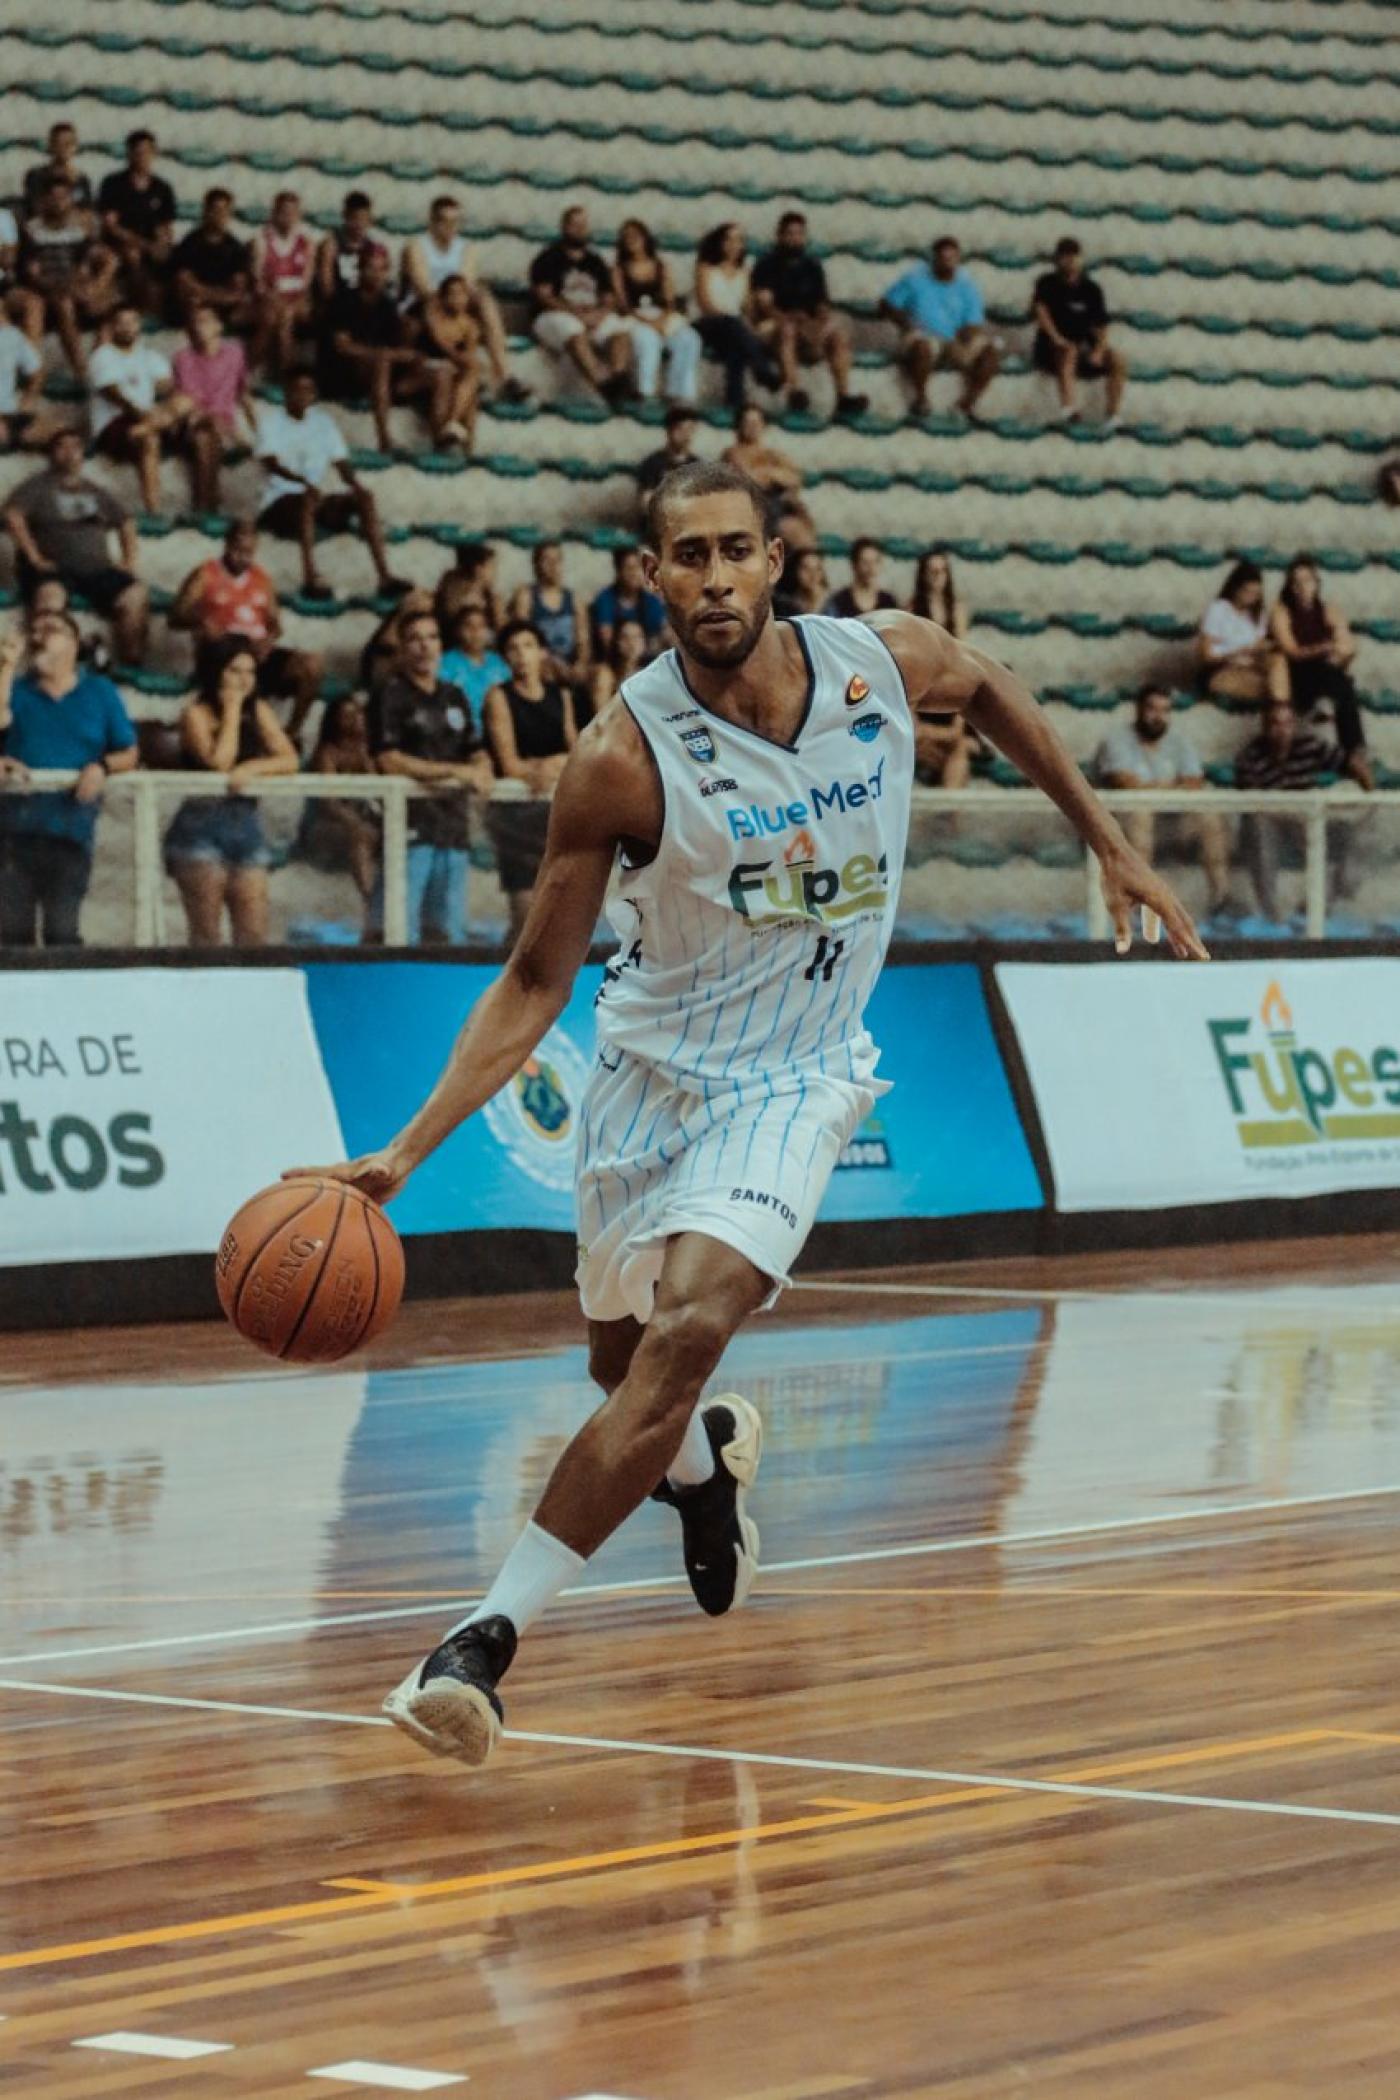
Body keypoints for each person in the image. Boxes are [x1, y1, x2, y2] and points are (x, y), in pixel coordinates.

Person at [287, 459, 1203, 1769]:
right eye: (688, 558)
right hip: (650, 1073)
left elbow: (990, 688)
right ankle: (705, 1470)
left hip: (801, 1077)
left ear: (776, 560)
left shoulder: (879, 663)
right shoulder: (618, 756)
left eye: (736, 551)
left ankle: (479, 1645)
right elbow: (538, 978)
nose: (716, 578)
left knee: (687, 1330)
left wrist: (1103, 839)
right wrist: (406, 1151)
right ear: (650, 577)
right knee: (624, 1371)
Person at [0, 609, 138, 948]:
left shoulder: (100, 692)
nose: (41, 636)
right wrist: (5, 667)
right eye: (36, 629)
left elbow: (129, 752)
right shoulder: (16, 691)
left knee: (62, 932)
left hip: (70, 829)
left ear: (75, 643)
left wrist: (101, 767)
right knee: (11, 934)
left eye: (53, 629)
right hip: (12, 833)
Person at [368, 608, 494, 945]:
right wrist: (454, 771)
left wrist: (482, 766)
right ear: (403, 648)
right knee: (400, 928)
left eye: (432, 637)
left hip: (453, 826)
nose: (424, 646)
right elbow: (389, 760)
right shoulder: (390, 695)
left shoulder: (454, 695)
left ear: (441, 645)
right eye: (414, 639)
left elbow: (474, 747)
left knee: (449, 931)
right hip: (408, 828)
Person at [163, 636, 299, 946]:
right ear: (217, 672)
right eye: (234, 671)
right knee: (207, 936)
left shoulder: (260, 710)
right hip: (201, 824)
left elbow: (288, 757)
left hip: (245, 821)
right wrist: (233, 711)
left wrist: (252, 769)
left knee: (253, 934)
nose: (243, 680)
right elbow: (220, 762)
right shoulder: (195, 714)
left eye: (249, 672)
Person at [255, 368, 405, 601]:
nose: (302, 395)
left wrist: (355, 485)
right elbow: (271, 463)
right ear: (286, 392)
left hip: (315, 498)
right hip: (279, 502)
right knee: (307, 499)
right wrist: (302, 483)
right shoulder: (271, 422)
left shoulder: (323, 423)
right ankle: (310, 577)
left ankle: (385, 576)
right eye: (297, 389)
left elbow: (341, 463)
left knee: (365, 498)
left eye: (308, 390)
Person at [3, 428, 150, 663]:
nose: (70, 452)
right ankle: (47, 663)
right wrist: (34, 557)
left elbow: (126, 521)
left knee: (135, 595)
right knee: (50, 597)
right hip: (54, 570)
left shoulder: (96, 491)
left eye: (76, 446)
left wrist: (129, 560)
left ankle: (131, 668)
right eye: (62, 446)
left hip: (97, 570)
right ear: (51, 454)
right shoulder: (36, 487)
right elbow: (13, 514)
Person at [168, 518, 324, 734]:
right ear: (227, 545)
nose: (243, 557)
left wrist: (268, 642)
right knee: (233, 659)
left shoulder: (262, 578)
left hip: (256, 649)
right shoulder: (205, 574)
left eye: (249, 552)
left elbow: (275, 625)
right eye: (238, 550)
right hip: (221, 648)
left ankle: (292, 731)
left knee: (312, 665)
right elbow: (175, 616)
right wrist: (202, 621)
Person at [1096, 684, 1231, 918]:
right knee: (1141, 813)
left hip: (1170, 823)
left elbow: (1193, 781)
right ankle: (1139, 902)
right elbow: (1124, 782)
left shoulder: (1178, 741)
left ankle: (1221, 898)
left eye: (1165, 710)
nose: (1158, 717)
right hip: (1124, 828)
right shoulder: (1116, 740)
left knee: (1209, 816)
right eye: (1152, 709)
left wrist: (1152, 786)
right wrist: (1170, 785)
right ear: (1138, 709)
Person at [483, 620, 578, 942]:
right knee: (525, 916)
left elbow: (576, 752)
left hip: (556, 813)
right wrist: (544, 768)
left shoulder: (560, 696)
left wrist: (549, 765)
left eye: (527, 646)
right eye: (512, 649)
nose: (521, 655)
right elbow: (509, 764)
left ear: (542, 653)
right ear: (505, 658)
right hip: (516, 817)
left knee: (557, 916)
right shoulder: (498, 697)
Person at [1235, 696, 1371, 920]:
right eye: (1275, 723)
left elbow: (1350, 763)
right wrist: (1292, 814)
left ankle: (1325, 902)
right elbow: (1254, 806)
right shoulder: (1250, 757)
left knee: (1352, 831)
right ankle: (1270, 912)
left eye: (1287, 723)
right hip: (1273, 824)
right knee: (1258, 827)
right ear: (1265, 726)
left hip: (1308, 820)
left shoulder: (1310, 746)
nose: (1281, 729)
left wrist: (1370, 792)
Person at [400, 195, 529, 406]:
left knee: (485, 300)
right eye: (444, 221)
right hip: (422, 306)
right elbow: (422, 287)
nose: (450, 228)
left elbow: (465, 286)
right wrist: (452, 298)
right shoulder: (416, 246)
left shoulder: (466, 248)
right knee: (434, 302)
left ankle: (505, 376)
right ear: (433, 222)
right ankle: (471, 375)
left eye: (455, 222)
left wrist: (458, 299)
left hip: (453, 303)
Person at [750, 211, 867, 421]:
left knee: (838, 335)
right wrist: (789, 319)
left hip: (805, 324)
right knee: (787, 330)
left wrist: (817, 323)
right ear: (779, 236)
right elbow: (764, 305)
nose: (795, 238)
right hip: (774, 325)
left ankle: (843, 396)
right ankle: (792, 391)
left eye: (799, 234)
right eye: (790, 234)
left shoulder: (813, 266)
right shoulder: (766, 265)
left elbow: (822, 303)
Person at [320, 249, 431, 454]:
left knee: (438, 373)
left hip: (378, 371)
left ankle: (442, 439)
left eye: (382, 269)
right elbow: (343, 347)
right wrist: (387, 355)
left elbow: (393, 345)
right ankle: (384, 439)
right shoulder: (342, 300)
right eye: (371, 268)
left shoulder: (385, 304)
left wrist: (406, 353)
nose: (377, 274)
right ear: (360, 270)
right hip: (343, 373)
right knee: (382, 363)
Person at [881, 234, 1000, 421]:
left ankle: (967, 403)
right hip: (924, 335)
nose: (948, 263)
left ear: (958, 259)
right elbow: (885, 305)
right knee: (921, 347)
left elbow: (974, 322)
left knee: (990, 353)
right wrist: (905, 322)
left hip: (955, 339)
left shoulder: (967, 285)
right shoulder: (915, 279)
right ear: (934, 259)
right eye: (943, 259)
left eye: (952, 258)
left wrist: (968, 333)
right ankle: (921, 399)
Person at [87, 301, 189, 515]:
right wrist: (147, 416)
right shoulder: (102, 355)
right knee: (149, 439)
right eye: (121, 323)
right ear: (112, 327)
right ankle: (153, 510)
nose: (127, 327)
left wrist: (171, 407)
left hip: (146, 421)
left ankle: (149, 427)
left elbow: (169, 387)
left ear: (139, 325)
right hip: (114, 423)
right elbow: (114, 394)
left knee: (187, 402)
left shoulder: (148, 355)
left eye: (132, 322)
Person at [529, 205, 634, 407]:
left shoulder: (595, 261)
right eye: (574, 224)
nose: (579, 229)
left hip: (591, 314)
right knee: (573, 329)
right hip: (554, 315)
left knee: (620, 331)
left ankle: (618, 379)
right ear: (564, 227)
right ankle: (603, 385)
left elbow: (608, 297)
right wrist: (575, 313)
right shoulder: (548, 258)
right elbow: (544, 297)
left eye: (583, 225)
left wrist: (600, 313)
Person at [1269, 554, 1366, 760]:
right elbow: (1292, 651)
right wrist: (1324, 648)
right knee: (1338, 679)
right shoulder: (1281, 611)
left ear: (1317, 583)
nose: (1302, 587)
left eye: (1307, 580)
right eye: (1296, 582)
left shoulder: (1328, 609)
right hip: (1296, 674)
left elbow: (1346, 645)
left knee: (1341, 679)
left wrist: (1337, 652)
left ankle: (1353, 749)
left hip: (1326, 669)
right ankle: (1353, 748)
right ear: (1290, 586)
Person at [19, 174, 117, 376]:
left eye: (64, 197)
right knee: (64, 303)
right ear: (43, 200)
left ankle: (100, 368)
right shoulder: (31, 230)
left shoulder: (78, 229)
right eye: (54, 197)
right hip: (49, 291)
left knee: (110, 305)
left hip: (76, 286)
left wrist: (94, 287)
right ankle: (80, 369)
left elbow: (97, 259)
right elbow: (33, 276)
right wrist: (64, 287)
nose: (59, 202)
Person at [293, 695, 380, 915]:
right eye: (347, 715)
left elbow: (379, 791)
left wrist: (365, 757)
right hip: (327, 826)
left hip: (366, 817)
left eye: (359, 714)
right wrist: (354, 823)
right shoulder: (327, 753)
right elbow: (329, 803)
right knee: (360, 834)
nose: (355, 720)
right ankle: (371, 901)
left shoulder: (370, 750)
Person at [1032, 237, 1127, 430]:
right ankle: (1068, 409)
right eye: (1064, 257)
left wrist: (1099, 350)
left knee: (1117, 359)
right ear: (1057, 260)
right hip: (1052, 346)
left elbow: (1101, 325)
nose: (1069, 261)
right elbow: (1041, 313)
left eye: (1073, 257)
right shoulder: (1046, 283)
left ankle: (1113, 413)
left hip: (1084, 346)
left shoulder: (1092, 289)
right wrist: (1057, 339)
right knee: (1069, 351)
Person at [171, 304, 255, 513]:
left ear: (219, 326)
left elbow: (243, 393)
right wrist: (229, 431)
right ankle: (209, 503)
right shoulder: (183, 358)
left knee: (205, 438)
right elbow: (190, 403)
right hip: (192, 422)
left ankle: (204, 504)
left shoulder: (235, 352)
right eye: (196, 322)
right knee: (204, 430)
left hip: (219, 426)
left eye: (206, 321)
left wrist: (258, 429)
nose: (200, 327)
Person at [692, 222, 781, 411]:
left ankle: (734, 399)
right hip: (706, 324)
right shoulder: (705, 268)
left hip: (733, 329)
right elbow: (706, 305)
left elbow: (747, 309)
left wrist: (751, 325)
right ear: (720, 242)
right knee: (733, 325)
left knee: (737, 347)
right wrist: (738, 324)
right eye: (728, 239)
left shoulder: (744, 273)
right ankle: (762, 371)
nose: (733, 244)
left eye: (738, 240)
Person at [612, 219, 701, 403]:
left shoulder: (661, 266)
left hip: (661, 314)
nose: (631, 240)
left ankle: (678, 392)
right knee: (647, 340)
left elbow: (669, 300)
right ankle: (646, 392)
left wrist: (661, 319)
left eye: (635, 236)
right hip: (634, 316)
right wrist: (647, 322)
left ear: (645, 238)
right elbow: (622, 304)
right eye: (626, 237)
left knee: (689, 339)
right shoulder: (618, 270)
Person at [97, 129, 176, 314]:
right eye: (138, 152)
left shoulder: (162, 188)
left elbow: (165, 225)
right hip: (122, 244)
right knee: (133, 255)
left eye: (147, 152)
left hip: (149, 244)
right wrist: (144, 245)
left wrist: (162, 245)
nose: (142, 157)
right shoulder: (113, 183)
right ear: (129, 153)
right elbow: (111, 225)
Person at [723, 402, 813, 546]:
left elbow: (795, 479)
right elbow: (751, 480)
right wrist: (774, 474)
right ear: (739, 426)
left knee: (803, 527)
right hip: (752, 508)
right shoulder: (733, 453)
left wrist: (770, 474)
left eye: (757, 422)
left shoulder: (772, 454)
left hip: (779, 506)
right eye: (748, 422)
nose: (753, 427)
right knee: (794, 532)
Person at [1198, 560, 1286, 704]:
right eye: (1247, 592)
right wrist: (1235, 653)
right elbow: (1205, 656)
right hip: (1221, 670)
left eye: (1256, 593)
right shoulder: (1218, 609)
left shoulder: (1258, 614)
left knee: (1279, 665)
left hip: (1251, 667)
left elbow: (1258, 647)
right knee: (1276, 687)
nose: (1251, 598)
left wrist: (1263, 648)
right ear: (1235, 588)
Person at [508, 540, 590, 691]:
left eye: (557, 560)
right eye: (547, 560)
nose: (553, 565)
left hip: (569, 663)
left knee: (601, 675)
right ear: (536, 565)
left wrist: (581, 663)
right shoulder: (526, 596)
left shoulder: (574, 599)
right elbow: (522, 638)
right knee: (546, 673)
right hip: (541, 661)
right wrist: (550, 660)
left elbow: (583, 641)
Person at [250, 191, 315, 378]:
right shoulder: (261, 240)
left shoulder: (306, 242)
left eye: (293, 212)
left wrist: (290, 303)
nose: (288, 217)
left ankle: (286, 374)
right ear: (275, 213)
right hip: (270, 298)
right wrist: (275, 299)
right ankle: (273, 372)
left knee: (286, 314)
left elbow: (306, 283)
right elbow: (258, 282)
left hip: (297, 300)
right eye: (284, 212)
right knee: (275, 317)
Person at [171, 188, 252, 330]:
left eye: (226, 211)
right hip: (196, 305)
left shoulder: (236, 248)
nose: (221, 215)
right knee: (191, 302)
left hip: (222, 306)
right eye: (216, 210)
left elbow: (237, 290)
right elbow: (185, 283)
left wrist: (208, 295)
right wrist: (217, 295)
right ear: (206, 211)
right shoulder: (190, 244)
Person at [418, 274, 483, 451]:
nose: (458, 299)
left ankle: (464, 444)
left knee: (471, 394)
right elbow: (441, 346)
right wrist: (461, 361)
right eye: (453, 294)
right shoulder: (432, 316)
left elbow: (469, 355)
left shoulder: (470, 325)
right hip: (424, 367)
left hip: (451, 369)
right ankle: (443, 437)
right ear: (443, 298)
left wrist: (464, 362)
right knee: (448, 375)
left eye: (462, 294)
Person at [440, 603, 509, 733]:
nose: (475, 632)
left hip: (500, 730)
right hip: (462, 732)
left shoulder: (498, 662)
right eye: (468, 626)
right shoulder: (445, 663)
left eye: (481, 626)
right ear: (457, 631)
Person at [316, 191, 393, 307]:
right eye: (355, 219)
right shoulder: (331, 245)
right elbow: (326, 285)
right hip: (338, 303)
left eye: (363, 219)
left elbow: (380, 282)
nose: (359, 224)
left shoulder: (372, 247)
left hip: (364, 302)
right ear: (345, 216)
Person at [591, 544, 667, 659]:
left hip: (646, 660)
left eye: (638, 568)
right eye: (629, 568)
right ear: (618, 571)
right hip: (615, 662)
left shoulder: (651, 601)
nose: (634, 574)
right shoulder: (605, 599)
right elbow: (606, 641)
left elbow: (661, 636)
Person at [0, 291, 49, 451]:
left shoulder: (12, 336)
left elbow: (37, 372)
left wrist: (28, 399)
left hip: (8, 410)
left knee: (58, 435)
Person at [436, 541, 505, 642]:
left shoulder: (487, 593)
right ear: (478, 569)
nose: (495, 573)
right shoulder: (460, 592)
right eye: (492, 567)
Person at [23, 121, 94, 218]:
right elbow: (34, 208)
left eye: (68, 144)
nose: (64, 149)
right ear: (51, 145)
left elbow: (86, 211)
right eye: (59, 143)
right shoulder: (36, 175)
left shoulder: (82, 179)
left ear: (75, 147)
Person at [586, 613, 648, 721]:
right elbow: (601, 719)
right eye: (625, 637)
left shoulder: (646, 672)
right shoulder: (604, 673)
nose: (632, 643)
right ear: (616, 641)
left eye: (637, 637)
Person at [636, 404, 701, 505]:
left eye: (690, 429)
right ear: (668, 431)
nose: (686, 435)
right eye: (681, 429)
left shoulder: (697, 465)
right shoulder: (652, 463)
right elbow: (646, 503)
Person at [825, 537, 897, 619]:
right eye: (865, 562)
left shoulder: (888, 602)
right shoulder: (839, 602)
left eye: (875, 562)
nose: (871, 569)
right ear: (854, 565)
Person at [909, 548, 970, 640]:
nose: (938, 576)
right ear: (924, 574)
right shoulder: (912, 609)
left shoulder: (957, 609)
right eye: (933, 571)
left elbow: (961, 645)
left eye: (943, 571)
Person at [773, 543, 828, 619]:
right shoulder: (786, 603)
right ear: (795, 571)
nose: (813, 575)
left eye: (817, 569)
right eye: (806, 568)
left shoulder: (832, 601)